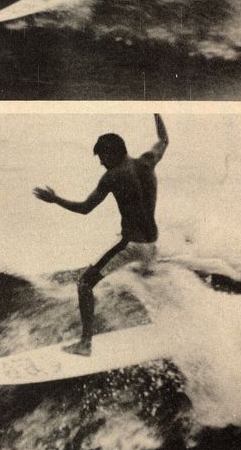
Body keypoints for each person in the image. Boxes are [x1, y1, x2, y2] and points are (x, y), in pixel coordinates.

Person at [34, 114, 169, 355]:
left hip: (132, 244)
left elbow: (85, 208)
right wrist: (157, 112)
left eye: (103, 157)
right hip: (152, 244)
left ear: (114, 154)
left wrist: (55, 200)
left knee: (84, 283)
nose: (101, 163)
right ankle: (164, 324)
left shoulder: (113, 176)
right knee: (147, 277)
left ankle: (85, 344)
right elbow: (164, 139)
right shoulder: (147, 162)